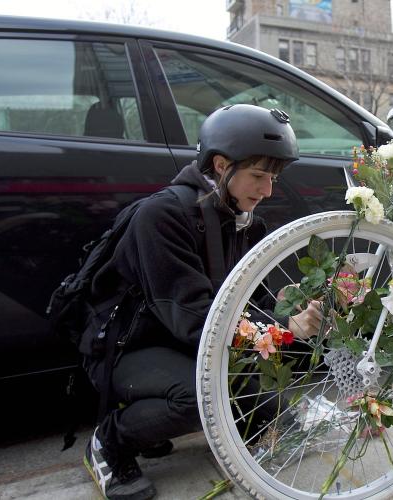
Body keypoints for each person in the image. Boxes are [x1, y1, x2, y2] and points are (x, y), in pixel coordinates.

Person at [80, 104, 324, 500]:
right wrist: (280, 332)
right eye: (259, 176)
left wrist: (288, 308)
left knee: (277, 412)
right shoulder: (163, 216)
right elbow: (194, 319)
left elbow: (251, 297)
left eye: (274, 178)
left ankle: (240, 421)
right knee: (205, 397)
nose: (267, 191)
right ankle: (109, 443)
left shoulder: (243, 219)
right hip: (131, 345)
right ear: (221, 164)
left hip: (185, 339)